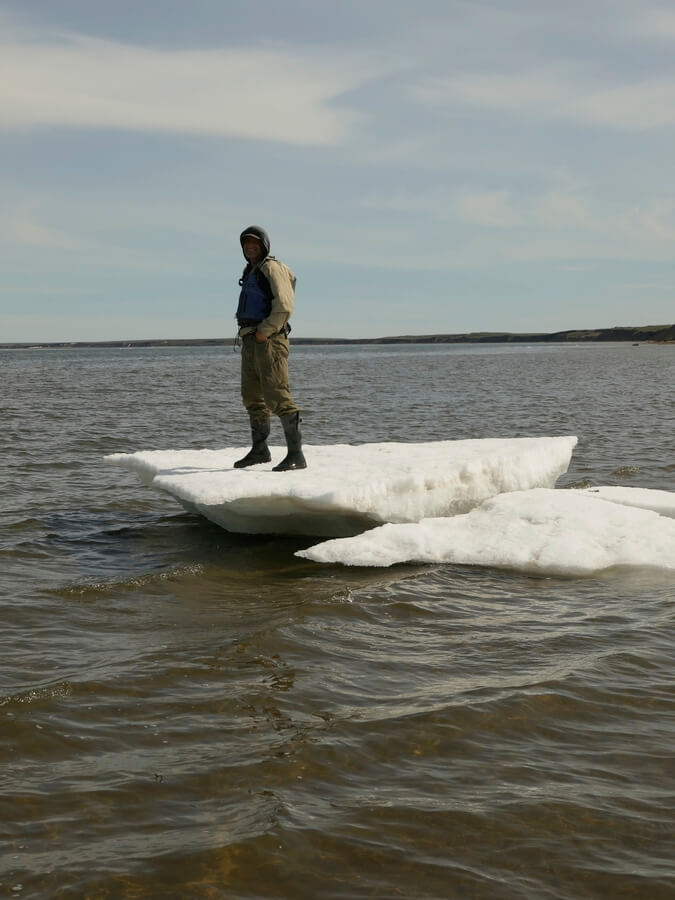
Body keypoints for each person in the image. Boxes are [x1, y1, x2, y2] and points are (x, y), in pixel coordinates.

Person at [233, 225, 307, 471]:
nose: (250, 246)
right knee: (252, 396)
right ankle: (260, 450)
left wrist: (265, 331)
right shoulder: (252, 270)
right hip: (250, 340)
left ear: (264, 245)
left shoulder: (271, 268)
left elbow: (284, 305)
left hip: (269, 341)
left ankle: (296, 455)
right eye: (246, 243)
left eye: (254, 242)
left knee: (277, 395)